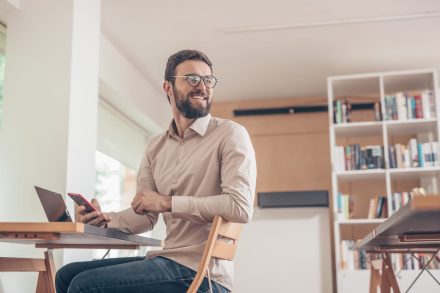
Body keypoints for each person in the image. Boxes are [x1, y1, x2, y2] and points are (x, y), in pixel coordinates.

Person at [55, 49, 257, 293]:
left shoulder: (230, 134)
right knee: (66, 275)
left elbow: (240, 207)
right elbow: (146, 216)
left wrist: (167, 202)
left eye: (208, 80)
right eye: (192, 79)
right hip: (167, 259)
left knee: (84, 286)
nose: (202, 86)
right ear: (168, 87)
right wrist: (106, 219)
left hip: (202, 274)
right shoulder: (156, 146)